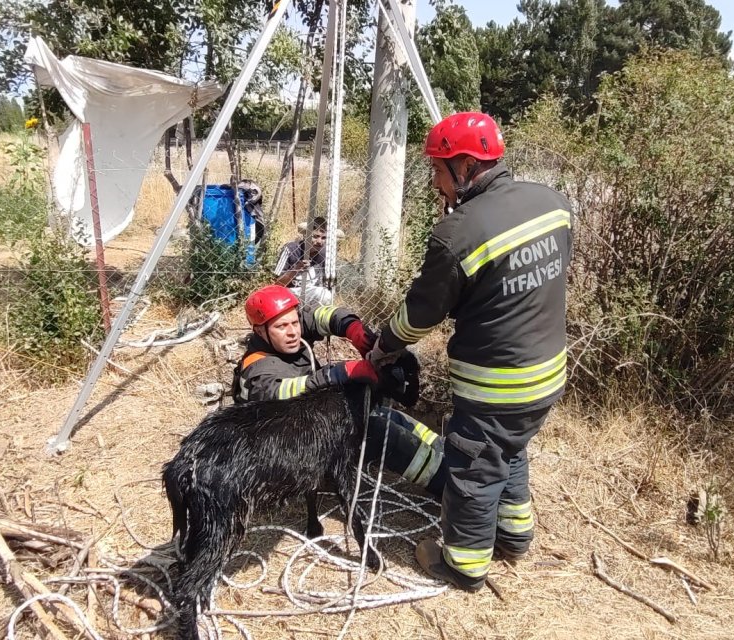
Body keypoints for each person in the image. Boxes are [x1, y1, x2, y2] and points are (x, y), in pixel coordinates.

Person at [368, 112, 573, 591]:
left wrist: (383, 347)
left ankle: (462, 563)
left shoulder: (458, 233)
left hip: (497, 385)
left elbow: (420, 314)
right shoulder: (553, 203)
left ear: (463, 165)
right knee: (509, 449)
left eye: (437, 169)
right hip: (547, 375)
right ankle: (514, 537)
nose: (435, 182)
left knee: (475, 469)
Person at [232, 285, 448, 497]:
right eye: (282, 327)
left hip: (312, 424)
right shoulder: (258, 369)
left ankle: (450, 457)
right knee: (380, 433)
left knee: (392, 418)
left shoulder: (286, 332)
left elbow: (324, 315)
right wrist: (338, 374)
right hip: (287, 451)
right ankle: (448, 484)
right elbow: (284, 392)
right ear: (260, 331)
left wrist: (352, 329)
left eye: (295, 322)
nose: (292, 332)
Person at [273, 217, 333, 307]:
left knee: (326, 295)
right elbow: (277, 285)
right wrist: (296, 268)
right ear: (306, 236)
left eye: (323, 238)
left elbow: (328, 283)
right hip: (290, 293)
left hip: (313, 294)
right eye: (315, 236)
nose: (319, 242)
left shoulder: (324, 254)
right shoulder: (291, 249)